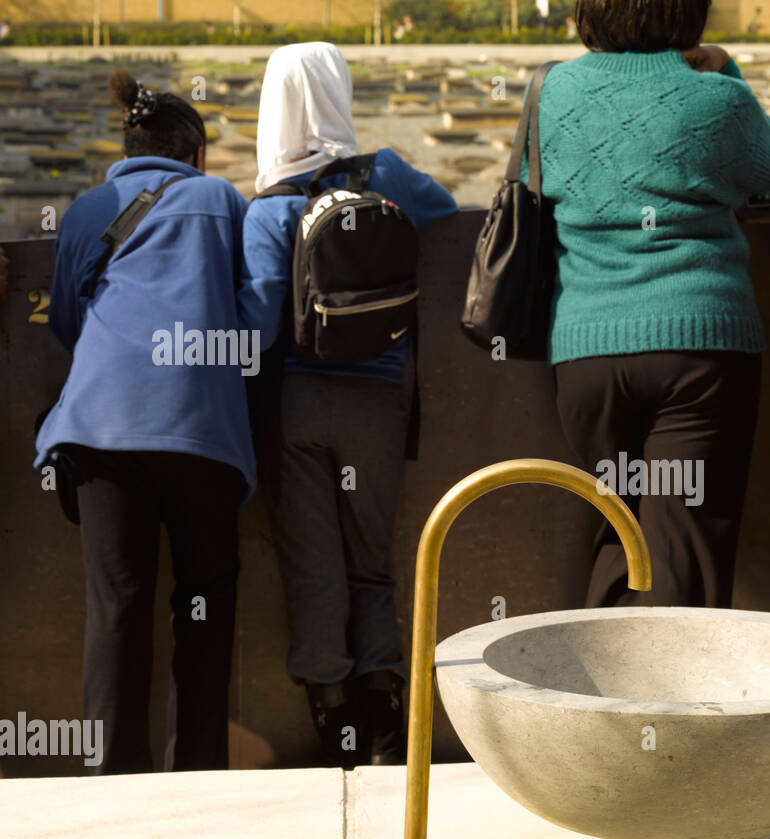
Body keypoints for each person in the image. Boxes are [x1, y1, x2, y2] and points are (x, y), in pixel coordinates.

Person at [525, 0, 770, 608]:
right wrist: (727, 71)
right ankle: (665, 700)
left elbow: (530, 177)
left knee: (618, 531)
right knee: (683, 544)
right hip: (699, 349)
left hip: (586, 354)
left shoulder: (553, 89)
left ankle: (595, 693)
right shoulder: (716, 97)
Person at [240, 42, 457, 768]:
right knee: (373, 564)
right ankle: (388, 720)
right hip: (378, 403)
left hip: (298, 407)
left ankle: (333, 721)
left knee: (312, 563)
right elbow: (446, 209)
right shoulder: (386, 175)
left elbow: (263, 322)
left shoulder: (268, 209)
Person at [35, 71, 253, 774]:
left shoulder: (89, 206)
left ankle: (110, 781)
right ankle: (196, 772)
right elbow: (250, 310)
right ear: (196, 155)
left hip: (103, 429)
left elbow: (66, 320)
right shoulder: (222, 201)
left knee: (118, 607)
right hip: (202, 428)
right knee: (205, 602)